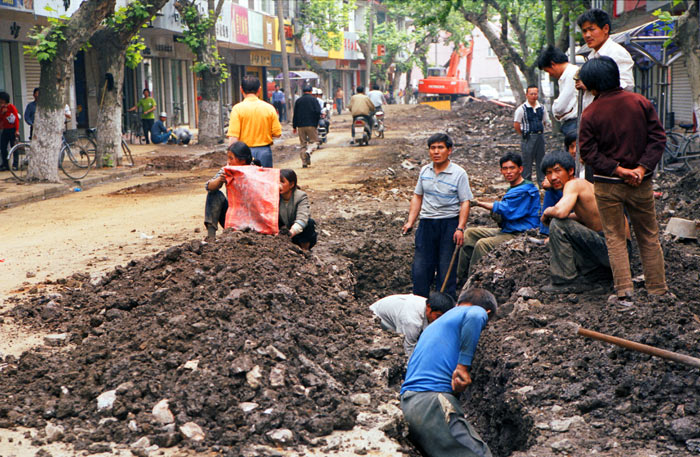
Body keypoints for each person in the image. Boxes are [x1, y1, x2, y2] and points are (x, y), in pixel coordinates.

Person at [578, 56, 667, 298]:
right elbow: (658, 138)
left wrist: (617, 170)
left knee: (615, 237)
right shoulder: (640, 102)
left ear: (593, 85)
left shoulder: (590, 113)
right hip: (641, 183)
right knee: (648, 235)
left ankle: (624, 291)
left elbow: (588, 152)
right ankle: (657, 289)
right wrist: (640, 168)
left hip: (608, 186)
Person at [400, 288, 497, 457]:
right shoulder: (475, 311)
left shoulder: (436, 325)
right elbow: (476, 316)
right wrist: (463, 367)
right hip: (431, 403)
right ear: (487, 312)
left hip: (410, 405)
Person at [402, 133, 472, 299]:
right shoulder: (424, 171)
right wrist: (410, 221)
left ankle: (444, 309)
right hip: (427, 224)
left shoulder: (459, 173)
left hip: (449, 225)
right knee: (420, 269)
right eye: (433, 148)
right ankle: (419, 307)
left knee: (445, 270)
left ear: (449, 151)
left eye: (440, 147)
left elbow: (465, 202)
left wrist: (460, 228)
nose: (436, 151)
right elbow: (417, 196)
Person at [457, 153, 540, 280]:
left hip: (520, 233)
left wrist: (480, 203)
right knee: (469, 233)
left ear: (520, 169)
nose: (508, 172)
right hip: (508, 229)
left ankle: (473, 282)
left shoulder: (526, 189)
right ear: (501, 170)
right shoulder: (512, 188)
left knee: (482, 244)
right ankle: (458, 277)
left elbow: (506, 209)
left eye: (512, 168)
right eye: (505, 169)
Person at [540, 152, 614, 293]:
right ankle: (594, 275)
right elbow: (583, 217)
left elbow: (561, 212)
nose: (553, 177)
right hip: (611, 250)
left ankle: (565, 280)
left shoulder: (574, 184)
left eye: (557, 171)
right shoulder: (583, 186)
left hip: (612, 249)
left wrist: (547, 212)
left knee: (558, 223)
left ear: (570, 171)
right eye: (549, 173)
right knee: (561, 228)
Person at [576, 8, 634, 109]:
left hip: (611, 114)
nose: (587, 35)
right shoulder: (593, 55)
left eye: (592, 29)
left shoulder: (616, 52)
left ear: (605, 29)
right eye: (584, 31)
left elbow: (627, 85)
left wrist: (590, 84)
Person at [204, 141, 260, 241]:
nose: (228, 161)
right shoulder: (227, 170)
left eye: (231, 158)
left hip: (252, 218)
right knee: (214, 193)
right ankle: (211, 236)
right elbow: (208, 186)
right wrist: (220, 180)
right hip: (231, 217)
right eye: (228, 158)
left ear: (242, 160)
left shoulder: (256, 170)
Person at [370, 292, 455, 358]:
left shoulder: (428, 305)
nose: (439, 320)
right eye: (438, 316)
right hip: (373, 324)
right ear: (428, 307)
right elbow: (407, 349)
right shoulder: (412, 321)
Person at [226, 75, 282, 168]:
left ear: (241, 89)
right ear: (259, 90)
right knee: (264, 180)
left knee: (245, 181)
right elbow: (277, 133)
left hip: (242, 154)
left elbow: (233, 137)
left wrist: (230, 158)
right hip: (264, 152)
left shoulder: (237, 109)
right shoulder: (269, 108)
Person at [536, 45, 578, 137]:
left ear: (553, 64)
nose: (550, 75)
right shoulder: (565, 76)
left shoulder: (572, 75)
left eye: (548, 71)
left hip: (575, 123)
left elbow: (559, 107)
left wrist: (556, 110)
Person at [513, 85, 550, 187]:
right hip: (528, 137)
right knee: (527, 161)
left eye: (535, 94)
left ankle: (542, 183)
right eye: (531, 94)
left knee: (541, 160)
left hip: (540, 136)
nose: (534, 96)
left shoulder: (542, 107)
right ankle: (527, 183)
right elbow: (516, 124)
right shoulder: (522, 109)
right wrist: (523, 134)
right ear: (527, 95)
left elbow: (545, 121)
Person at [279, 168, 318, 250]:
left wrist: (290, 233)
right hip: (282, 230)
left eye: (282, 182)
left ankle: (304, 250)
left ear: (291, 184)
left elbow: (302, 218)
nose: (278, 185)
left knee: (309, 223)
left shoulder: (300, 196)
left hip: (296, 232)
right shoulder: (275, 196)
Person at [292, 85, 321, 168]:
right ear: (311, 91)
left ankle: (304, 162)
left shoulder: (298, 101)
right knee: (315, 142)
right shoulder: (314, 100)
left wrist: (294, 126)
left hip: (300, 126)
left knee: (303, 144)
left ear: (303, 91)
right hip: (311, 125)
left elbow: (295, 114)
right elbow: (318, 112)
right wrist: (316, 123)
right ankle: (309, 151)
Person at [0, 91, 20, 172]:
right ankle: (5, 164)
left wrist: (17, 130)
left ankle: (15, 164)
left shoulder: (11, 107)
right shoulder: (2, 109)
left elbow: (16, 119)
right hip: (5, 129)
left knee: (14, 146)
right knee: (3, 146)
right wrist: (2, 112)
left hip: (13, 129)